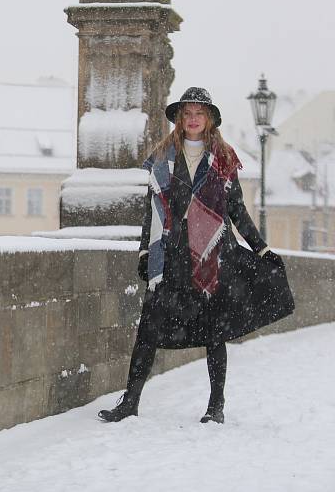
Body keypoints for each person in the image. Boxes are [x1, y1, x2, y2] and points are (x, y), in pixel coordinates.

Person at [98, 87, 294, 424]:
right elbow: (152, 212)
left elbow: (237, 211)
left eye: (198, 114)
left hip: (211, 256)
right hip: (171, 256)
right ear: (178, 119)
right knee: (148, 329)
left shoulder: (223, 160)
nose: (192, 119)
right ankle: (130, 402)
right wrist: (146, 250)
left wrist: (261, 248)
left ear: (210, 120)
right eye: (186, 114)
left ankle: (215, 406)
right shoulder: (162, 160)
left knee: (214, 332)